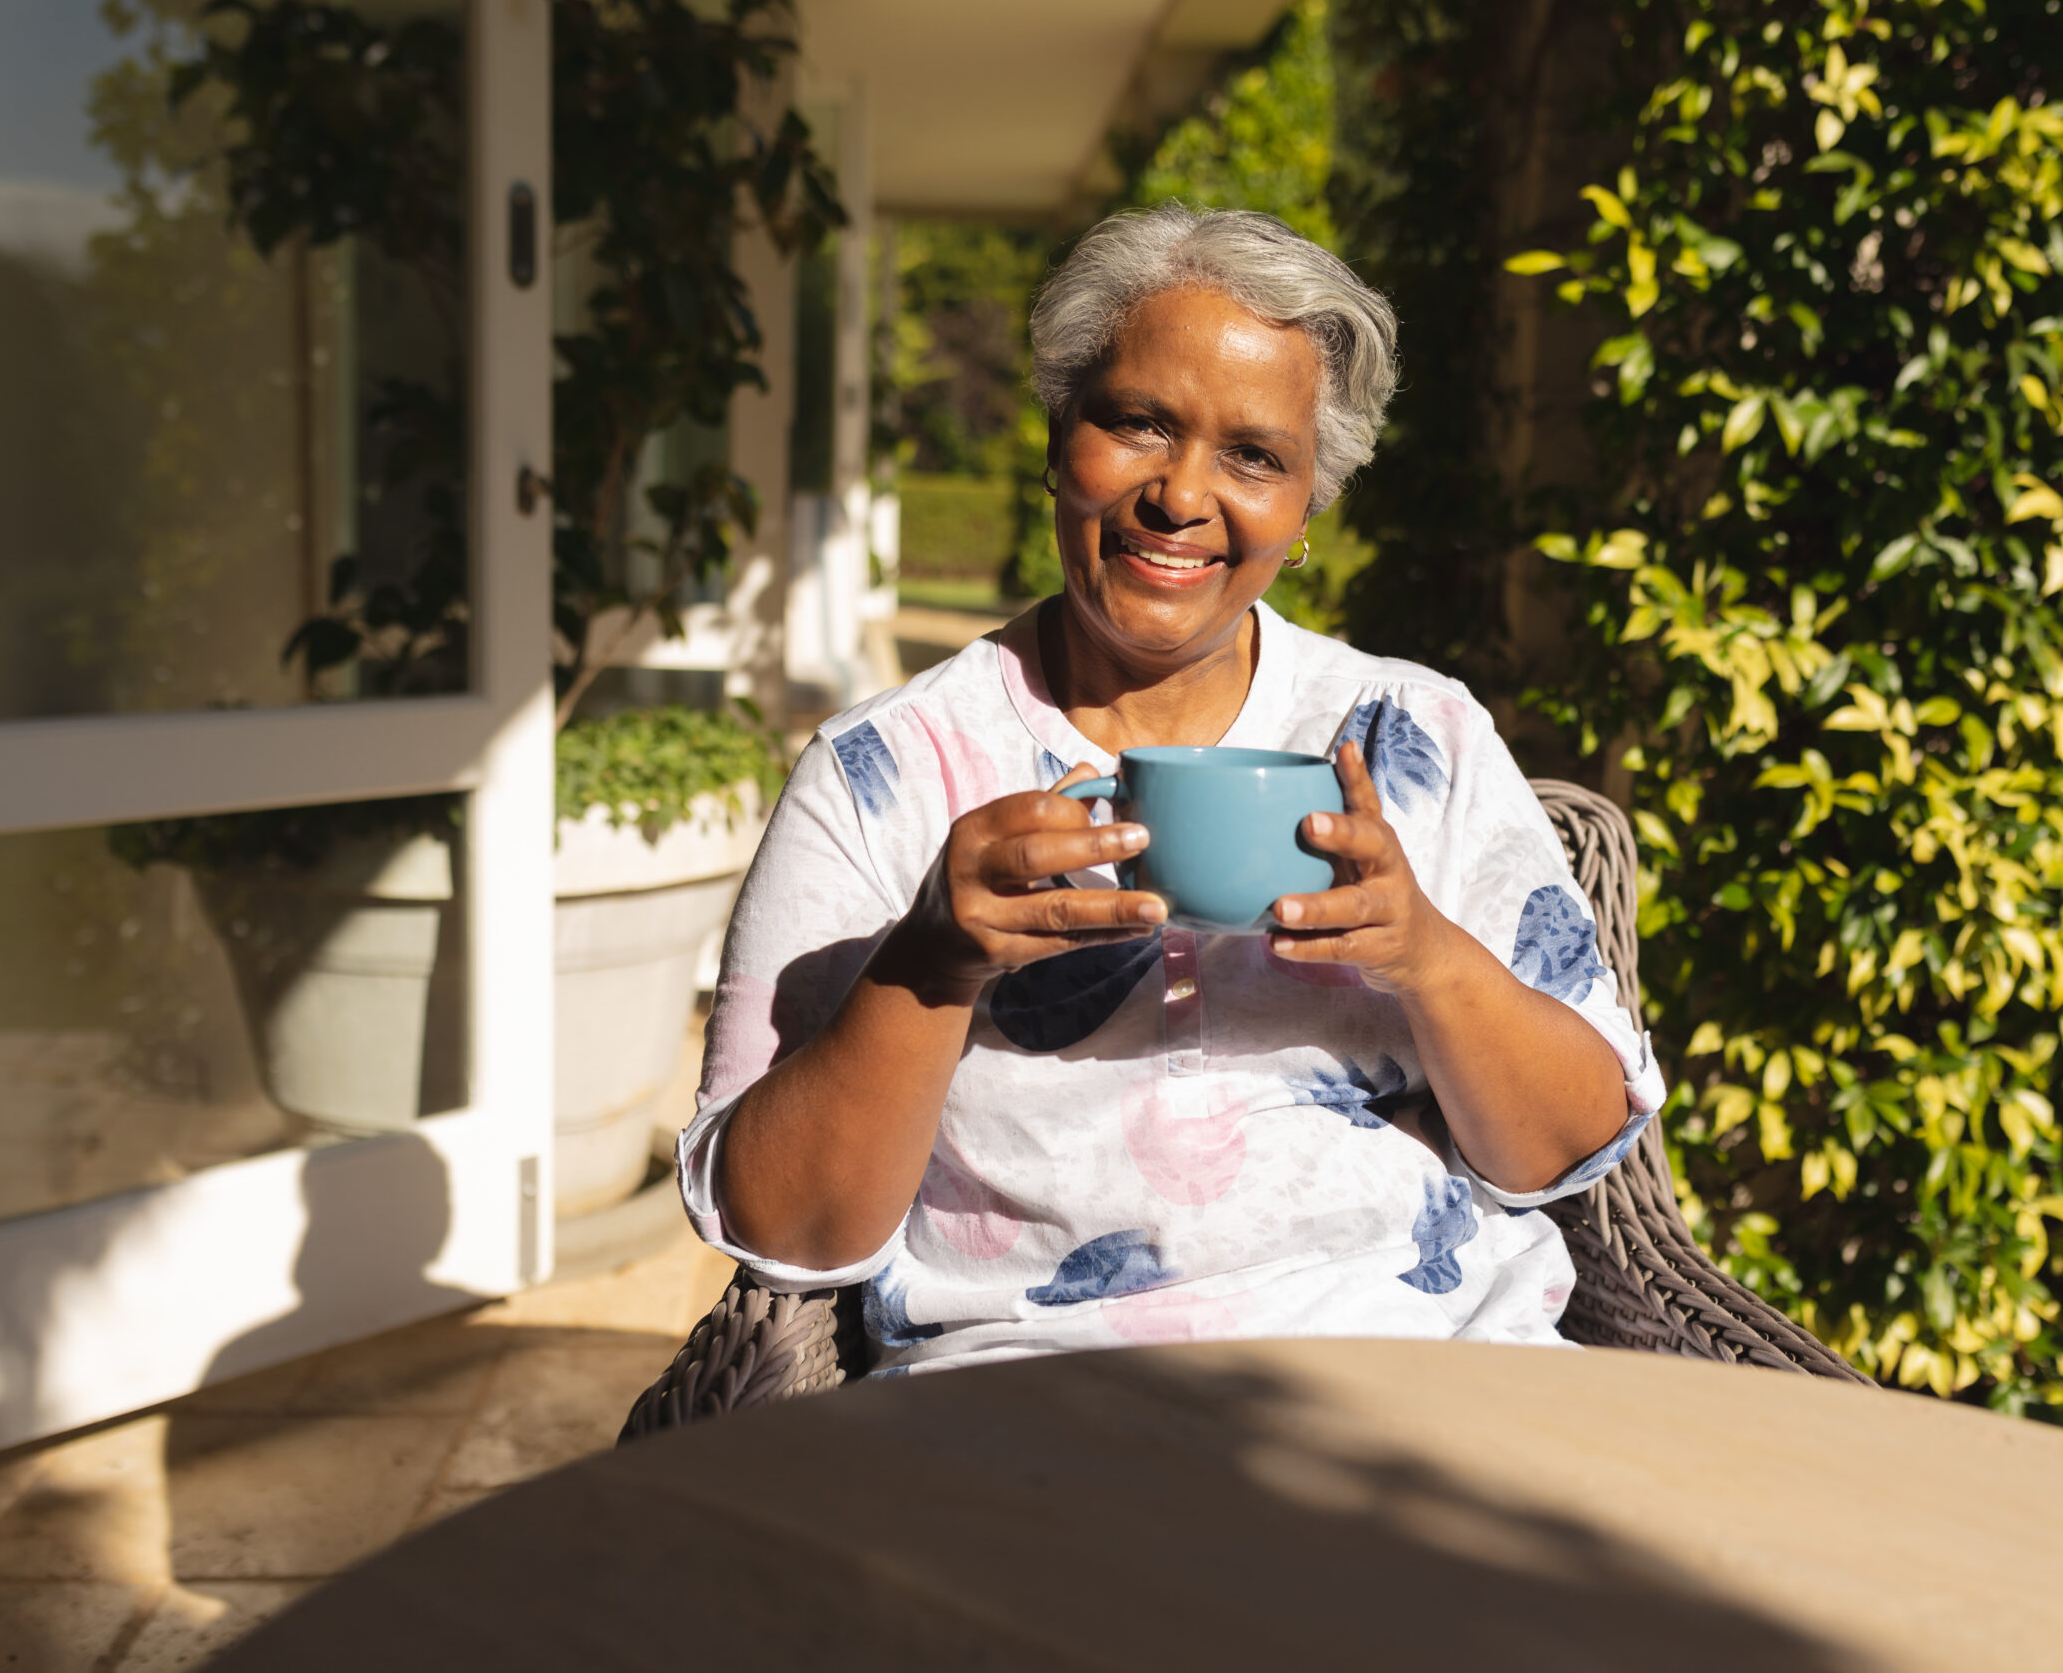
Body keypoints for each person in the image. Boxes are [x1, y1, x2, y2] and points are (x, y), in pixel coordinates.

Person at [678, 204, 1664, 1373]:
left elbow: (1569, 1148)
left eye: (1254, 456)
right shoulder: (882, 772)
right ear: (1058, 441)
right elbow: (780, 1231)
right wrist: (930, 961)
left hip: (1430, 1373)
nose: (1181, 495)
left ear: (1305, 510)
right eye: (1139, 423)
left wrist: (1424, 955)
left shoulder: (1416, 734)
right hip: (1031, 1403)